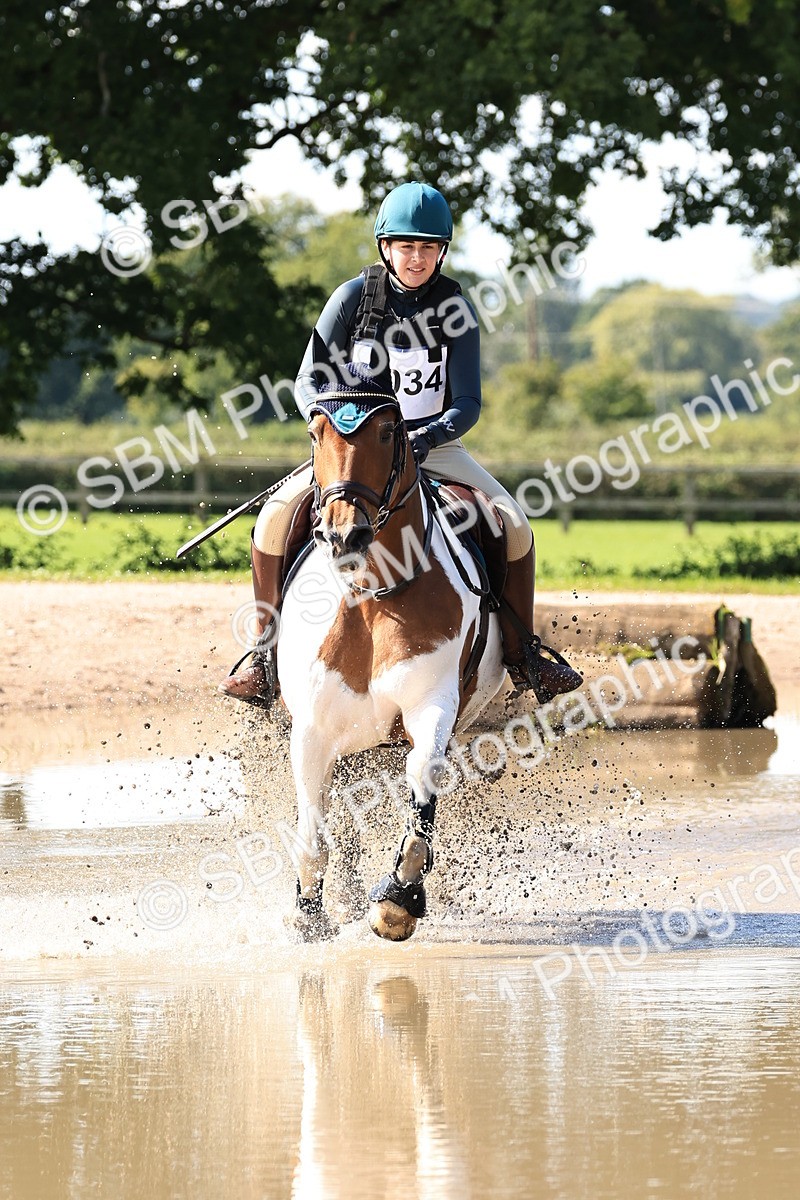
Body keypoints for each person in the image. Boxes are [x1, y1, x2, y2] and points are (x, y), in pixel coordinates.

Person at [220, 182, 581, 704]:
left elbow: (467, 403)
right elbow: (307, 381)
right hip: (355, 450)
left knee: (513, 523)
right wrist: (332, 427)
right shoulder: (351, 299)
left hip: (435, 444)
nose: (417, 259)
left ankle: (525, 653)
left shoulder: (455, 306)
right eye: (407, 247)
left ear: (442, 252)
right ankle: (262, 656)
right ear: (385, 247)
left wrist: (426, 435)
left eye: (428, 248)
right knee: (274, 519)